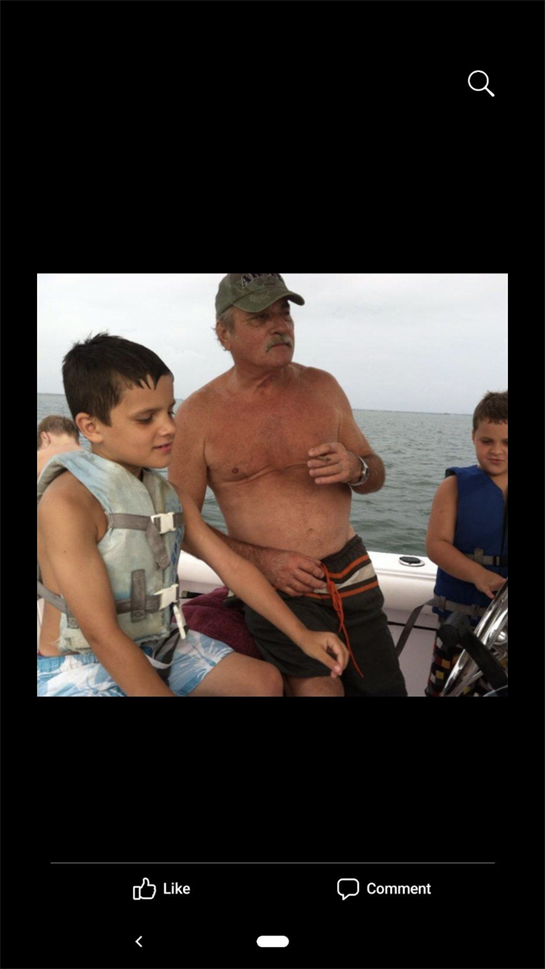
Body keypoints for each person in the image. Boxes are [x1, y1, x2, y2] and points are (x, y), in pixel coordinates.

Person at [37, 333, 348, 697]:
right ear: (91, 427)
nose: (169, 426)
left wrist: (302, 635)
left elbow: (232, 566)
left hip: (161, 642)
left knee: (263, 682)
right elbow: (101, 635)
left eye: (168, 410)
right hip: (81, 660)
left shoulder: (165, 494)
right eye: (146, 418)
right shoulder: (67, 503)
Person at [169, 273, 407, 697]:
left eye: (285, 313)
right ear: (224, 333)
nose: (280, 326)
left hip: (352, 574)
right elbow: (180, 524)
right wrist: (261, 560)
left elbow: (375, 474)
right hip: (276, 589)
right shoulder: (198, 415)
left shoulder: (323, 386)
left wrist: (357, 468)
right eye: (260, 317)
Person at [425, 390, 508, 696]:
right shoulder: (453, 487)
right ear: (473, 436)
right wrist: (480, 575)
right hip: (462, 628)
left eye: (507, 443)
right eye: (487, 441)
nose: (496, 451)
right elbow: (436, 545)